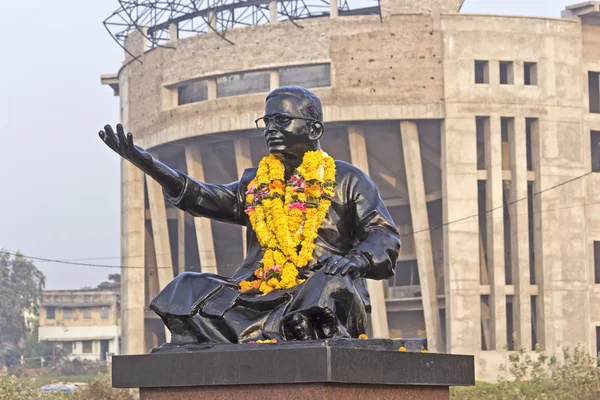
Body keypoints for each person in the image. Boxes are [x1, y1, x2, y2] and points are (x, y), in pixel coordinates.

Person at [99, 86, 400, 347]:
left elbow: (383, 234)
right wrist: (150, 165)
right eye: (266, 122)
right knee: (186, 286)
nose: (270, 129)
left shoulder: (348, 179)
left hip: (319, 289)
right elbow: (204, 196)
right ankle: (265, 335)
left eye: (282, 120)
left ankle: (285, 333)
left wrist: (356, 260)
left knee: (329, 286)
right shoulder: (257, 183)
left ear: (314, 130)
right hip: (259, 292)